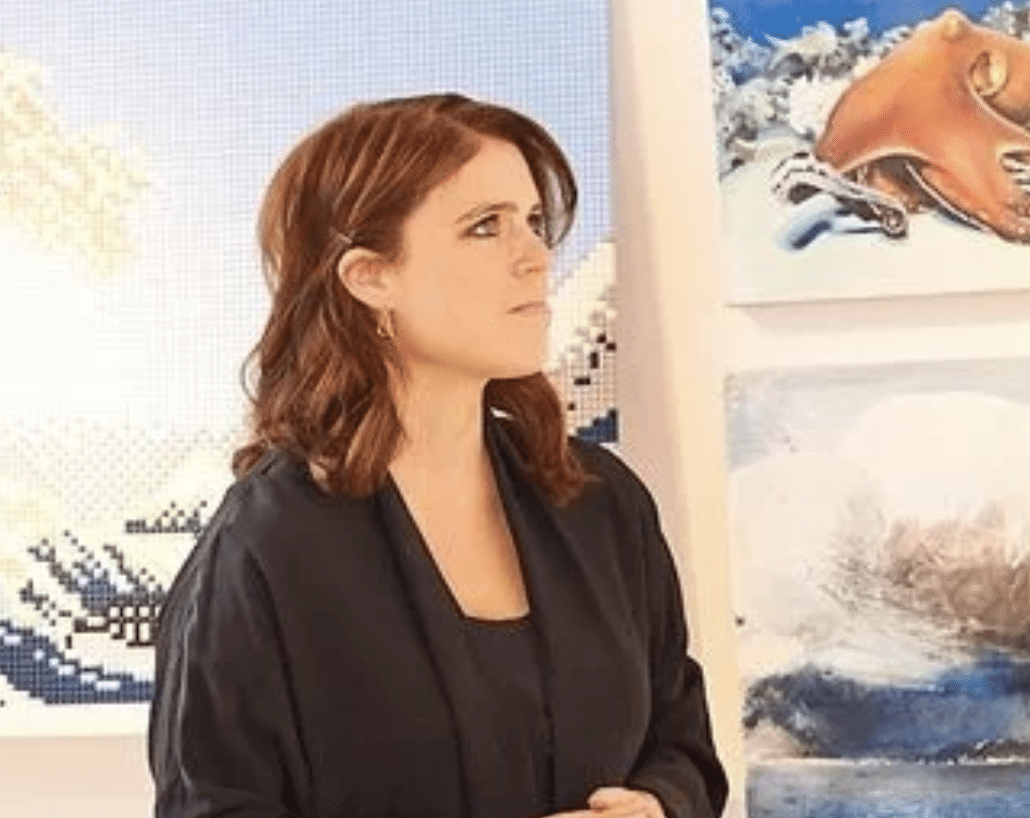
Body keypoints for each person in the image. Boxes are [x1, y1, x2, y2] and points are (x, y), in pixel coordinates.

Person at [146, 93, 729, 818]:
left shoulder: (600, 500)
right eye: (486, 226)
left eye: (535, 222)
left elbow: (682, 744)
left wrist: (658, 806)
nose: (536, 257)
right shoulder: (265, 544)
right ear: (370, 277)